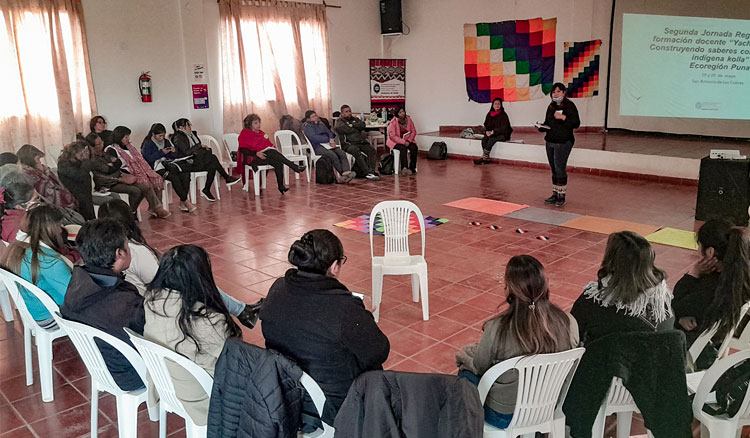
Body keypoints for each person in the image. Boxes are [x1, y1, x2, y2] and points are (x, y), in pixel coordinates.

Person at [259, 229, 389, 428]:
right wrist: (366, 316)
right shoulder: (344, 307)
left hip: (284, 391)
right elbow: (379, 351)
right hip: (332, 404)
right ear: (335, 266)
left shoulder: (278, 288)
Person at [455, 255, 578, 429]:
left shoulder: (497, 328)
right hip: (548, 407)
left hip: (504, 415)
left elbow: (481, 367)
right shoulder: (569, 322)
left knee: (464, 376)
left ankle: (466, 429)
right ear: (545, 284)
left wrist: (465, 356)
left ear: (508, 289)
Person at [97, 199, 263, 328]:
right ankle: (240, 312)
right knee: (193, 275)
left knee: (189, 272)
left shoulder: (101, 248)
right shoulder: (133, 250)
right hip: (153, 305)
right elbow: (159, 281)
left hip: (129, 304)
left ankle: (242, 310)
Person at [143, 244, 244, 426]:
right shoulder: (207, 319)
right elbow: (235, 359)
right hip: (204, 399)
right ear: (201, 277)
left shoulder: (151, 302)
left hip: (167, 386)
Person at [61, 218, 146, 390]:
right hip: (131, 373)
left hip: (100, 366)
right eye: (127, 246)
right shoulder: (124, 302)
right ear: (119, 254)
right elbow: (151, 333)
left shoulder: (77, 282)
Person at [571, 231, 673, 345]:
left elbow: (571, 334)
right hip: (654, 360)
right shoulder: (664, 302)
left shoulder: (592, 302)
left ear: (611, 262)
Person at [673, 220, 750, 347]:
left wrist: (693, 273)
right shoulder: (739, 276)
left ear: (710, 252)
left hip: (697, 349)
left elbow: (673, 307)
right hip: (718, 341)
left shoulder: (711, 288)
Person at [1, 205, 73, 330]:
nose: (61, 231)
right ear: (49, 229)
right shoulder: (48, 260)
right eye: (59, 226)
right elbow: (73, 295)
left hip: (35, 312)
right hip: (53, 317)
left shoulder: (18, 247)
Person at [106, 126, 171, 218]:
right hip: (125, 176)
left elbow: (139, 160)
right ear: (119, 137)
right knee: (145, 184)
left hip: (138, 172)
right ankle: (157, 207)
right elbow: (114, 167)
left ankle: (154, 207)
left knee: (156, 178)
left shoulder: (130, 147)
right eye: (126, 137)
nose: (128, 139)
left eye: (128, 136)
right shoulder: (112, 149)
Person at [170, 118, 241, 201]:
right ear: (181, 128)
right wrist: (199, 146)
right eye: (188, 125)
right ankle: (225, 179)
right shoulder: (178, 137)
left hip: (198, 160)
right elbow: (186, 152)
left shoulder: (192, 135)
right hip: (188, 163)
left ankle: (208, 188)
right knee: (213, 159)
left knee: (212, 164)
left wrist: (202, 148)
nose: (190, 127)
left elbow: (196, 148)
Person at [237, 114, 306, 195]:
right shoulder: (245, 133)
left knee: (277, 162)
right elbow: (243, 149)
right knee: (272, 153)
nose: (258, 125)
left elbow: (267, 145)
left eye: (259, 122)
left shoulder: (262, 133)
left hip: (265, 155)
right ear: (250, 124)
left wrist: (271, 148)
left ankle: (281, 186)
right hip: (253, 158)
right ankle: (294, 166)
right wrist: (256, 153)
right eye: (255, 123)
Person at [538, 83, 580, 207]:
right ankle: (555, 193)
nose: (555, 94)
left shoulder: (570, 106)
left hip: (563, 142)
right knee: (553, 168)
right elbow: (548, 122)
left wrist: (563, 117)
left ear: (564, 93)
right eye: (553, 92)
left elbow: (576, 123)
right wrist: (541, 127)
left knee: (560, 167)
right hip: (550, 140)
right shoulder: (551, 106)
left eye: (558, 91)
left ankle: (561, 196)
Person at [141, 123, 196, 213]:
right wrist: (161, 152)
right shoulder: (148, 143)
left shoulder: (166, 141)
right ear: (153, 135)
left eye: (163, 135)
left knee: (185, 174)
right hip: (156, 167)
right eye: (159, 136)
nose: (162, 138)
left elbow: (173, 156)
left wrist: (173, 151)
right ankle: (185, 201)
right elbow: (147, 158)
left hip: (169, 164)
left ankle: (183, 201)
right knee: (174, 178)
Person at [57, 141, 117, 221]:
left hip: (87, 194)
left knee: (115, 197)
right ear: (84, 150)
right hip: (77, 198)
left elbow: (103, 171)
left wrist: (99, 187)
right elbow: (82, 177)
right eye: (87, 151)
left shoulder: (80, 163)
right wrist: (87, 163)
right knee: (110, 201)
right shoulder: (64, 165)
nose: (89, 154)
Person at [17, 144, 78, 212]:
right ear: (30, 160)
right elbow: (51, 195)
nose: (40, 161)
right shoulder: (32, 177)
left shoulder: (40, 172)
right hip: (53, 210)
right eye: (38, 159)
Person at [302, 110, 354, 184]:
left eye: (316, 115)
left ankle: (346, 172)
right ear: (308, 119)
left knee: (341, 152)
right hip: (317, 146)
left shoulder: (321, 124)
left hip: (328, 144)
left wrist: (331, 139)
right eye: (313, 117)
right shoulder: (308, 127)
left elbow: (329, 132)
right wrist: (328, 139)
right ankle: (343, 174)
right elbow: (314, 138)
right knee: (332, 155)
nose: (315, 118)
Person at [334, 105, 380, 180]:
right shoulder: (339, 121)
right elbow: (344, 129)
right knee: (356, 151)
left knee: (372, 150)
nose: (349, 113)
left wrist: (353, 125)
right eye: (346, 112)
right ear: (342, 113)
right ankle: (367, 172)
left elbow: (363, 125)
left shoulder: (355, 119)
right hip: (348, 144)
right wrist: (356, 129)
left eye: (349, 111)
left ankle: (371, 171)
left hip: (361, 142)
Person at [0, 168, 37, 242]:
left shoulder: (7, 215)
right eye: (36, 200)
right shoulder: (20, 225)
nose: (38, 203)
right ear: (19, 206)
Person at [475, 98, 513, 165]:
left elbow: (505, 128)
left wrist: (494, 132)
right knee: (484, 139)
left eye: (499, 104)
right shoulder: (489, 114)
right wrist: (487, 131)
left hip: (502, 134)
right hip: (491, 133)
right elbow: (486, 125)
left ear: (501, 105)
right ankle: (486, 158)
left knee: (492, 139)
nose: (497, 105)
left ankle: (484, 158)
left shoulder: (503, 115)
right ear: (492, 105)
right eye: (495, 104)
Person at [386, 107, 419, 175]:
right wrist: (403, 142)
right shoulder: (393, 122)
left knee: (414, 147)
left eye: (403, 111)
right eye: (400, 112)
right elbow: (392, 136)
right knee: (402, 148)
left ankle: (412, 167)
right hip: (395, 142)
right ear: (397, 114)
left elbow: (413, 131)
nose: (402, 114)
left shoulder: (409, 119)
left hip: (408, 140)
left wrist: (409, 140)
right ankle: (404, 168)